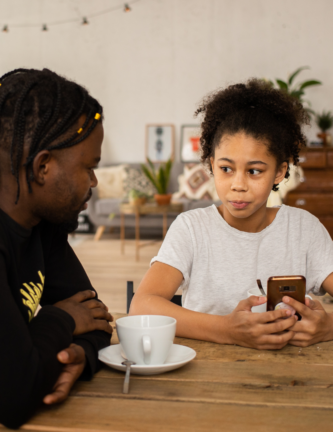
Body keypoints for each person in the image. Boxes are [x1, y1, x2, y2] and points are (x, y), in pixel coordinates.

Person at [130, 79, 333, 351]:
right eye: (226, 168)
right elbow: (141, 306)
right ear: (212, 165)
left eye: (254, 171)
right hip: (205, 380)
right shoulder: (192, 229)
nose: (238, 184)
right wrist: (228, 330)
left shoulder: (303, 229)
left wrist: (328, 327)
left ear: (280, 172)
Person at [0, 68, 112, 429]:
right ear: (43, 167)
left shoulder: (43, 227)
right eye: (88, 168)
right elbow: (13, 398)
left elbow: (94, 316)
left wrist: (81, 354)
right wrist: (62, 320)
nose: (94, 182)